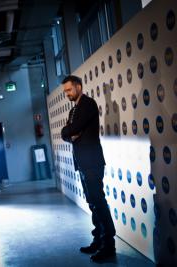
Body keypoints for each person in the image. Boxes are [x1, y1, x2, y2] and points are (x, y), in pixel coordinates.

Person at [60, 75, 116, 262]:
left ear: (78, 87)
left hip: (92, 163)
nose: (67, 94)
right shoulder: (73, 110)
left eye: (69, 90)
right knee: (93, 204)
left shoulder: (88, 105)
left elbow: (74, 128)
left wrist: (70, 131)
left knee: (99, 203)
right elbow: (67, 133)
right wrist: (69, 133)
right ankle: (98, 240)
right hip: (83, 163)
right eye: (65, 91)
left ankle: (108, 245)